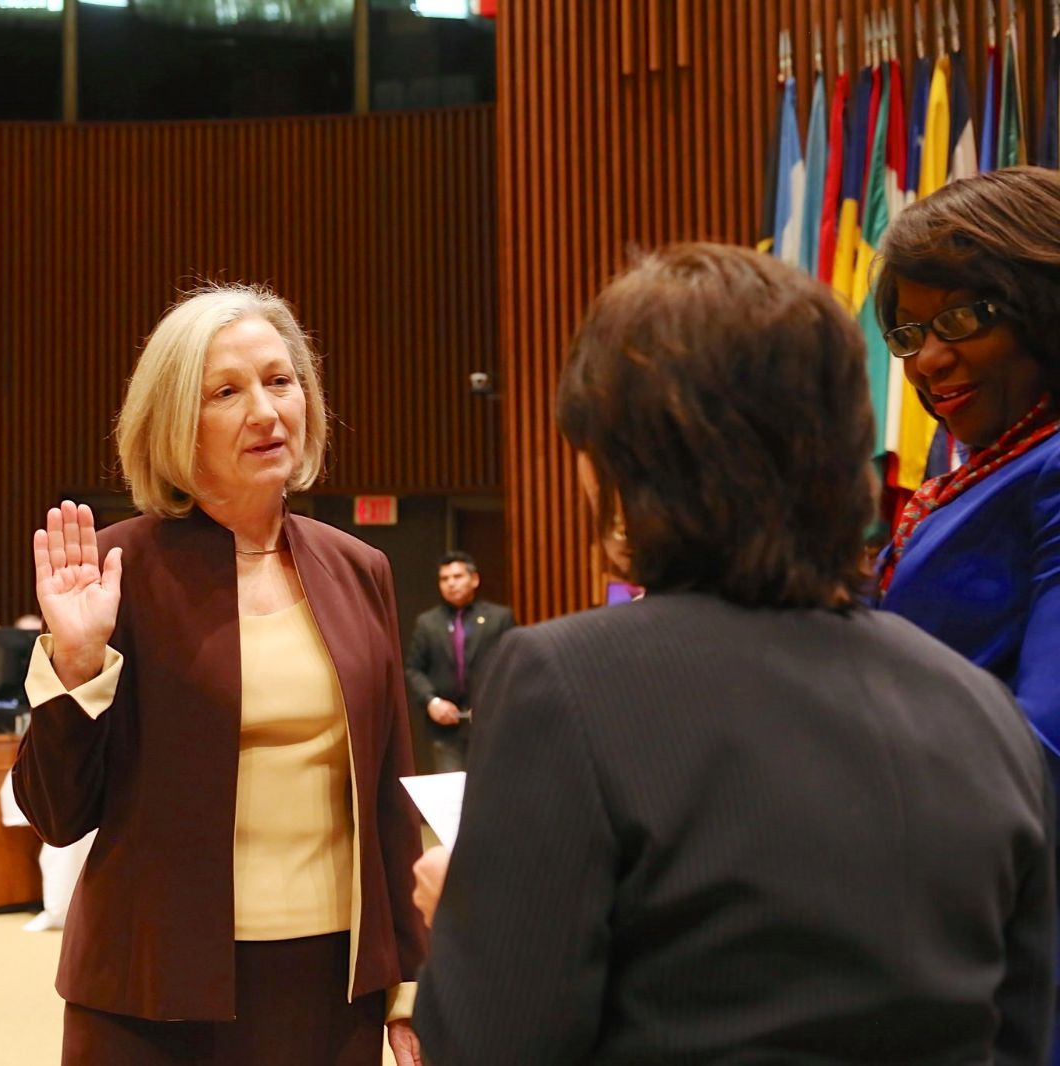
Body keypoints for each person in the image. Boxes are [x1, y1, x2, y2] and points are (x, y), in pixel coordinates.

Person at [412, 245, 1054, 1062]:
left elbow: (492, 1045)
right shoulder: (981, 710)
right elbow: (1023, 1035)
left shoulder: (565, 683)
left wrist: (469, 926)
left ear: (623, 461)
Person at [12, 284, 426, 1066]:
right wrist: (75, 663)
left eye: (281, 380)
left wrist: (409, 981)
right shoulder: (114, 574)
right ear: (174, 423)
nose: (267, 412)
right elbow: (57, 814)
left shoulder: (358, 567)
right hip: (153, 989)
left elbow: (388, 794)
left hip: (330, 982)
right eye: (227, 392)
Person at [874, 167, 1060, 779]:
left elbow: (1046, 745)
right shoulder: (990, 466)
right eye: (908, 333)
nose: (927, 360)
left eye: (959, 319)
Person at [403, 551, 515, 771]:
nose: (451, 584)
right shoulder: (427, 623)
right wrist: (431, 702)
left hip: (490, 723)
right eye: (444, 579)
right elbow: (413, 668)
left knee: (490, 793)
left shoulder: (499, 618)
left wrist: (491, 702)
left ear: (474, 579)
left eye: (457, 577)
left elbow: (512, 665)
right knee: (451, 798)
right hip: (445, 726)